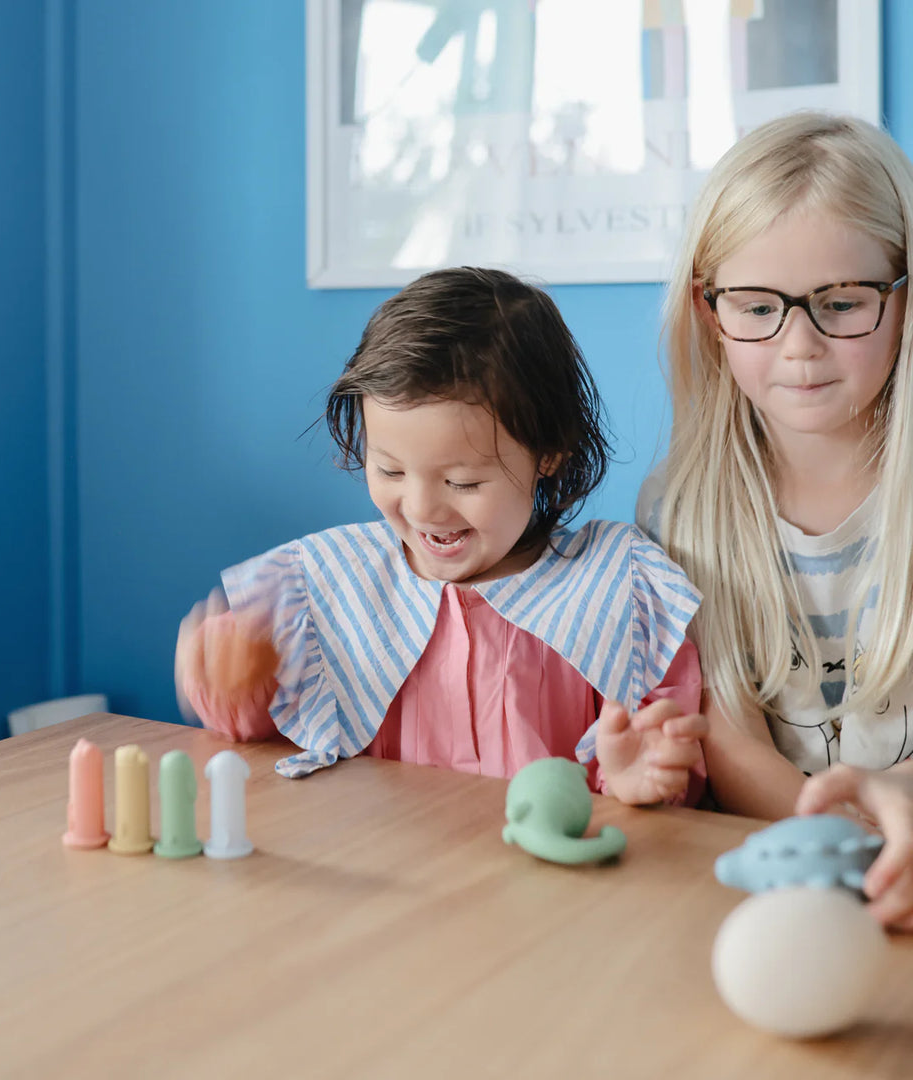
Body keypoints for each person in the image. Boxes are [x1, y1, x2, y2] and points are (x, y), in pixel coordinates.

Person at [175, 267, 707, 806]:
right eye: (389, 471)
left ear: (549, 454)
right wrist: (231, 684)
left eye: (462, 481)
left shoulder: (617, 584)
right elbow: (271, 739)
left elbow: (664, 759)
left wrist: (636, 778)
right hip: (391, 872)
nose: (423, 507)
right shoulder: (326, 585)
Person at [639, 111, 913, 926]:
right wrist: (834, 838)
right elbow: (728, 738)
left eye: (841, 302)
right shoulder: (683, 509)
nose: (800, 345)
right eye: (758, 308)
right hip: (776, 881)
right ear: (707, 307)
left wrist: (889, 812)